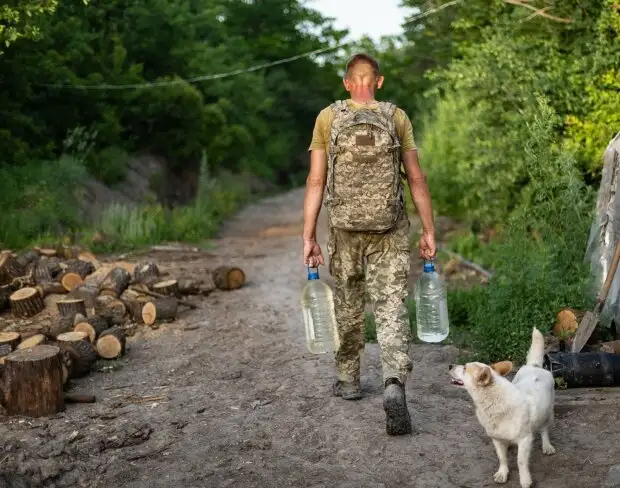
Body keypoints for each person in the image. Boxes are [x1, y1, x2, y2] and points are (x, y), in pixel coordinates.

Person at [302, 52, 437, 436]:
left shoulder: (328, 118)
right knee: (390, 307)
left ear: (347, 83)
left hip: (344, 230)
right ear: (379, 82)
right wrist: (428, 231)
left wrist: (309, 236)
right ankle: (394, 383)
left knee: (348, 302)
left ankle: (348, 380)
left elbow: (315, 181)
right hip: (389, 228)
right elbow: (416, 178)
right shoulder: (396, 117)